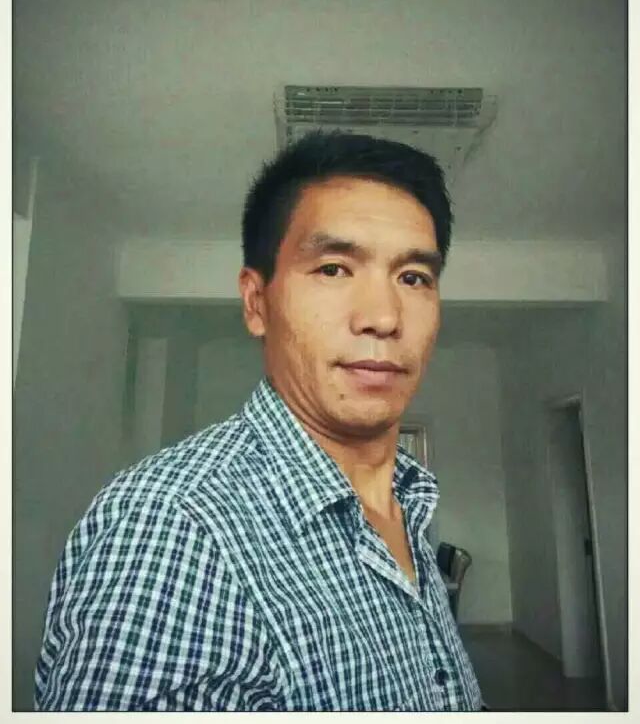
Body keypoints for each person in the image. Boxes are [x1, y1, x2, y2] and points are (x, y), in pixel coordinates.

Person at [35, 131, 484, 711]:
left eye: (414, 277)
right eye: (333, 268)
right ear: (256, 302)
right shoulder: (176, 528)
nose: (383, 317)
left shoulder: (408, 497)